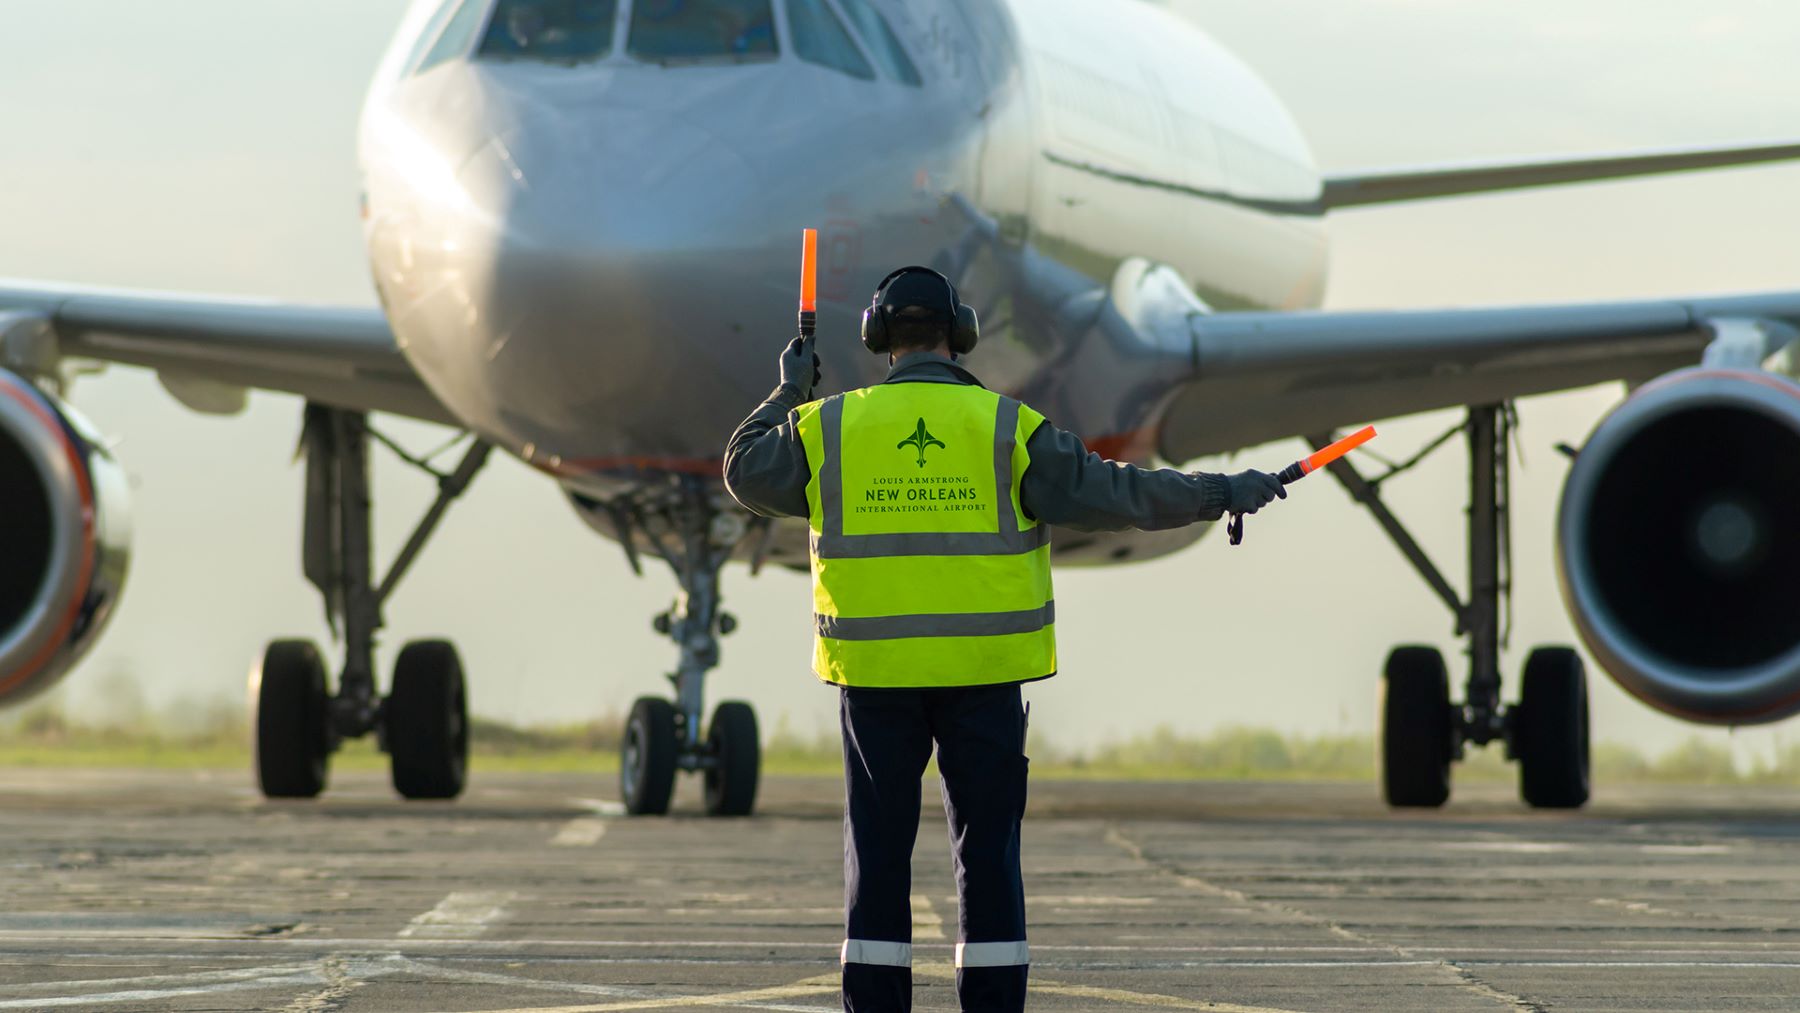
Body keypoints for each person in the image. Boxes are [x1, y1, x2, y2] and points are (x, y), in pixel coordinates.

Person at [723, 267, 1284, 1013]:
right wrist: (1220, 491)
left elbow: (742, 467)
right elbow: (1122, 494)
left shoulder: (829, 426)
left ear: (877, 338)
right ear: (961, 336)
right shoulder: (1007, 428)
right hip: (985, 681)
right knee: (986, 858)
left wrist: (790, 387)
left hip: (876, 679)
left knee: (879, 861)